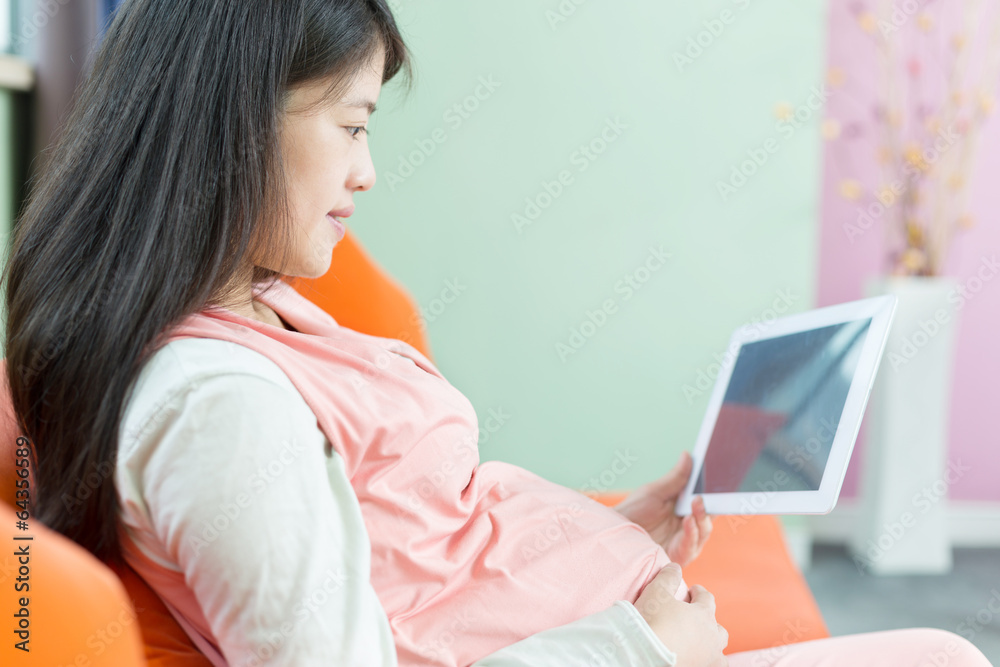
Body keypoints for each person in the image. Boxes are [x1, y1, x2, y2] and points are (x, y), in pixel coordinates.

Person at [2, 2, 992, 666]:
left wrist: (611, 527)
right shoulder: (221, 412)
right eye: (351, 125)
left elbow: (425, 531)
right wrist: (634, 646)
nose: (367, 173)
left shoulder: (253, 311)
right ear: (235, 124)